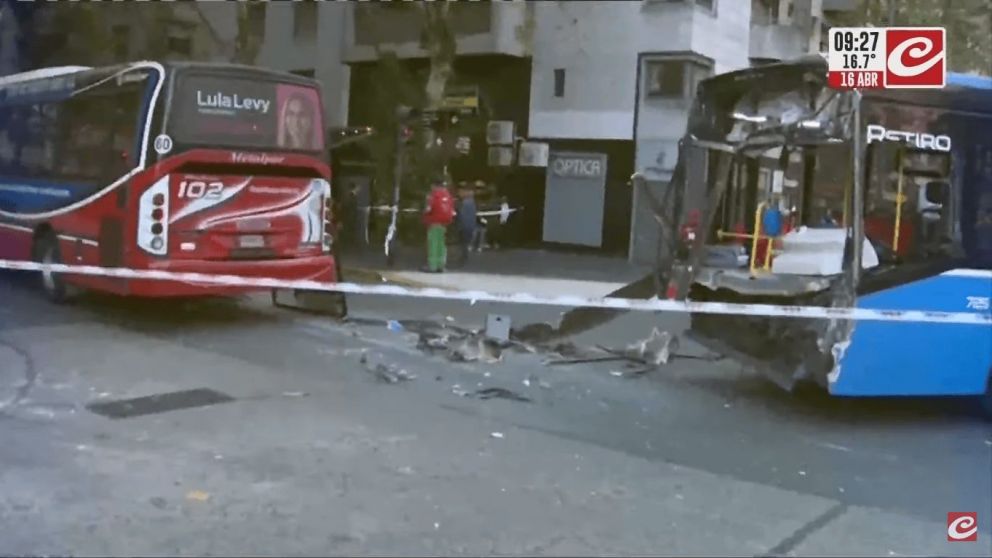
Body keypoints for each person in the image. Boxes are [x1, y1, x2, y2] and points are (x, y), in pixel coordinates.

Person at [422, 179, 455, 272]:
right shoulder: (448, 195)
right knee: (441, 244)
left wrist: (424, 215)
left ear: (434, 185)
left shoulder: (432, 196)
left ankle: (432, 266)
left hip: (434, 222)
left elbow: (428, 209)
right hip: (444, 224)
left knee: (433, 244)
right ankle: (441, 265)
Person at [456, 184, 478, 265]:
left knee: (464, 242)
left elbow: (462, 215)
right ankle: (464, 255)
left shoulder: (465, 203)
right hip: (469, 225)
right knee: (465, 242)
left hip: (465, 225)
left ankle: (464, 257)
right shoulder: (472, 202)